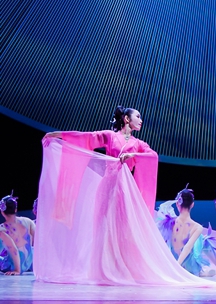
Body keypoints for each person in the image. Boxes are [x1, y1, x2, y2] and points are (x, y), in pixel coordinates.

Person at [37, 106, 207, 285]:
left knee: (123, 230)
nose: (141, 120)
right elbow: (87, 137)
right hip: (107, 186)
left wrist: (133, 154)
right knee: (103, 228)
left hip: (124, 189)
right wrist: (57, 135)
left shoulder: (138, 143)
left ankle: (120, 268)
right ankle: (103, 269)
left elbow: (152, 155)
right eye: (137, 116)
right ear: (126, 119)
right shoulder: (110, 136)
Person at [155, 185, 216, 276]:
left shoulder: (168, 222)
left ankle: (204, 272)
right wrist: (177, 266)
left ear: (177, 204)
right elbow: (187, 248)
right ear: (192, 204)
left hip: (172, 262)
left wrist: (174, 265)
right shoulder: (197, 227)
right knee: (204, 240)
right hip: (187, 265)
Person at [0, 192, 34, 275]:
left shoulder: (2, 228)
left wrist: (17, 270)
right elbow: (38, 241)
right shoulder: (28, 221)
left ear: (2, 211)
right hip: (28, 263)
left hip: (12, 265)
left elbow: (13, 249)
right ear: (15, 209)